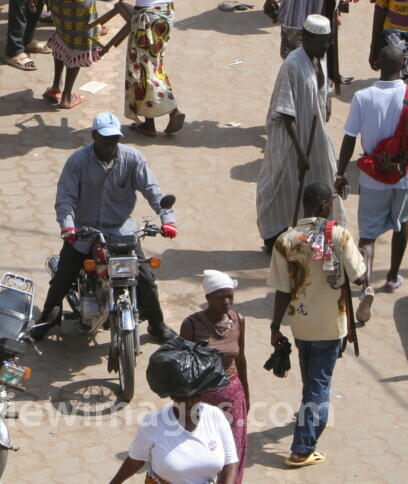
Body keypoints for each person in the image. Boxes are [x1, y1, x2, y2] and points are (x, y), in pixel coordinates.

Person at [36, 113, 177, 341]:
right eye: (106, 138)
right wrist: (68, 226)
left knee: (147, 279)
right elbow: (65, 197)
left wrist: (167, 219)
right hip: (84, 232)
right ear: (94, 136)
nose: (111, 143)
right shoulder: (78, 161)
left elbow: (154, 192)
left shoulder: (133, 159)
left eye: (115, 138)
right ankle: (46, 321)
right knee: (62, 279)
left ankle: (156, 324)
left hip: (121, 231)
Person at [266, 182, 365, 470]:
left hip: (301, 325)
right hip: (331, 326)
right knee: (319, 386)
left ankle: (307, 417)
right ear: (322, 205)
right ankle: (302, 448)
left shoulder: (285, 240)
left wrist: (274, 327)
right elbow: (359, 277)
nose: (332, 206)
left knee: (313, 380)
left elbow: (282, 290)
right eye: (330, 202)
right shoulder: (338, 235)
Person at [339, 44, 408, 310]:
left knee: (367, 236)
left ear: (377, 64)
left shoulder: (362, 96)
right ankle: (391, 277)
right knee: (401, 224)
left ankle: (366, 284)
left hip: (372, 178)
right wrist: (403, 163)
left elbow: (349, 138)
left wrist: (340, 172)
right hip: (403, 178)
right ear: (403, 66)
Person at [256, 16, 336, 250]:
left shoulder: (320, 57)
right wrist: (301, 153)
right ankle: (274, 239)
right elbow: (285, 112)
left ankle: (316, 237)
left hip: (316, 136)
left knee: (322, 183)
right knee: (280, 187)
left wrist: (327, 101)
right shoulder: (292, 64)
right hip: (292, 142)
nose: (326, 46)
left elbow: (323, 88)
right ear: (307, 38)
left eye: (328, 41)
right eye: (322, 42)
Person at [115, 0, 199, 135]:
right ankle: (150, 121)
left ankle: (170, 111)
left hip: (145, 19)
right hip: (166, 16)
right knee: (154, 63)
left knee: (144, 69)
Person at [106, 364, 239, 484]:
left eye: (195, 396)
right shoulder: (153, 423)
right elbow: (136, 459)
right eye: (183, 397)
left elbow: (230, 461)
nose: (190, 403)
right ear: (172, 396)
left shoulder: (215, 416)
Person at [179, 271, 250, 484]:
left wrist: (246, 394)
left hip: (233, 394)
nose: (227, 302)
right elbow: (183, 366)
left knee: (234, 450)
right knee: (206, 450)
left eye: (230, 296)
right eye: (221, 297)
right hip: (202, 398)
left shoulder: (238, 320)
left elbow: (241, 359)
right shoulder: (191, 325)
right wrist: (186, 405)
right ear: (208, 298)